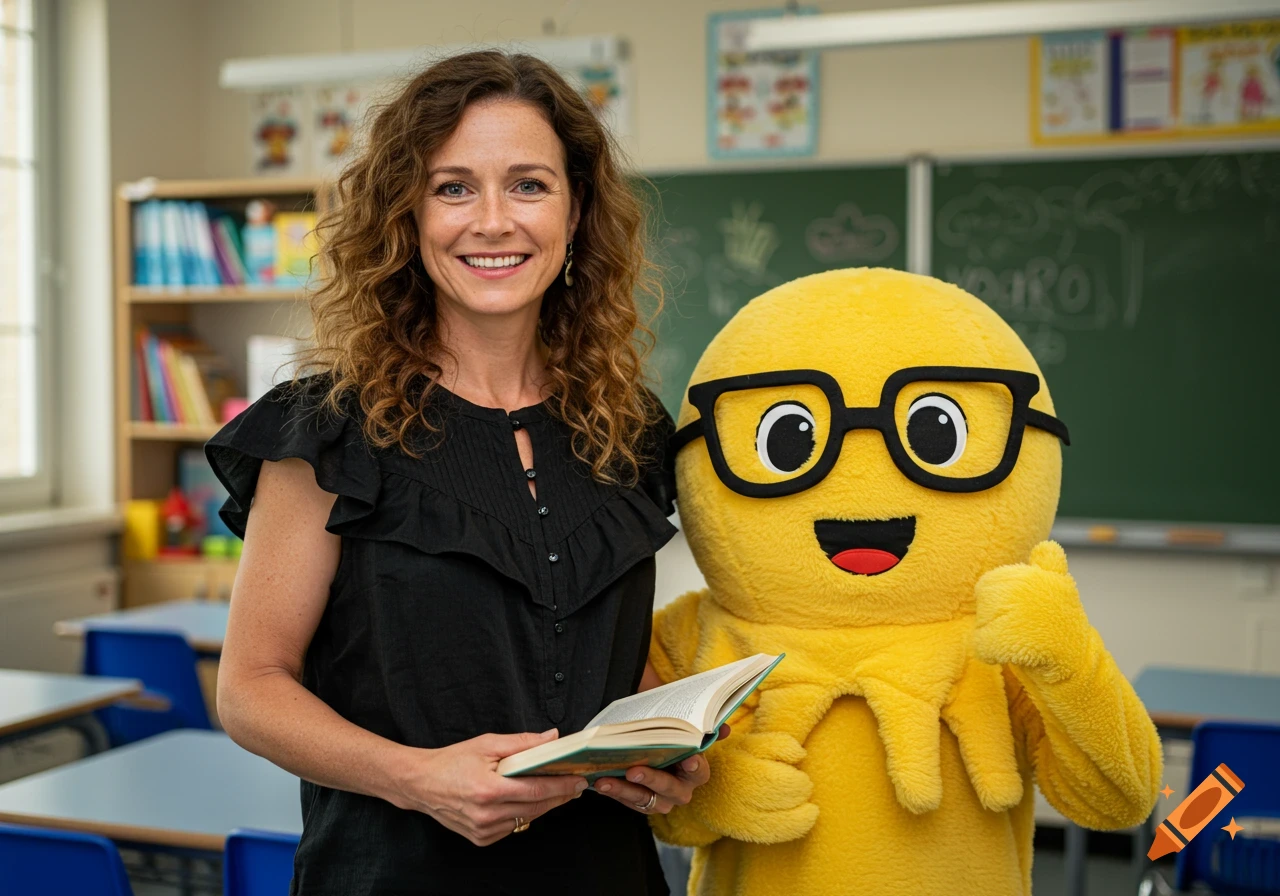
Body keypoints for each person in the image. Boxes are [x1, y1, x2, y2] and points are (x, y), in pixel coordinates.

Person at [206, 50, 713, 895]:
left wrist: (662, 751)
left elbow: (606, 659)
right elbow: (251, 691)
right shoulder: (328, 428)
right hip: (390, 875)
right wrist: (418, 777)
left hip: (602, 873)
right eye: (452, 187)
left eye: (528, 185)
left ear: (576, 211)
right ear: (407, 216)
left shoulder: (630, 429)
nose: (492, 221)